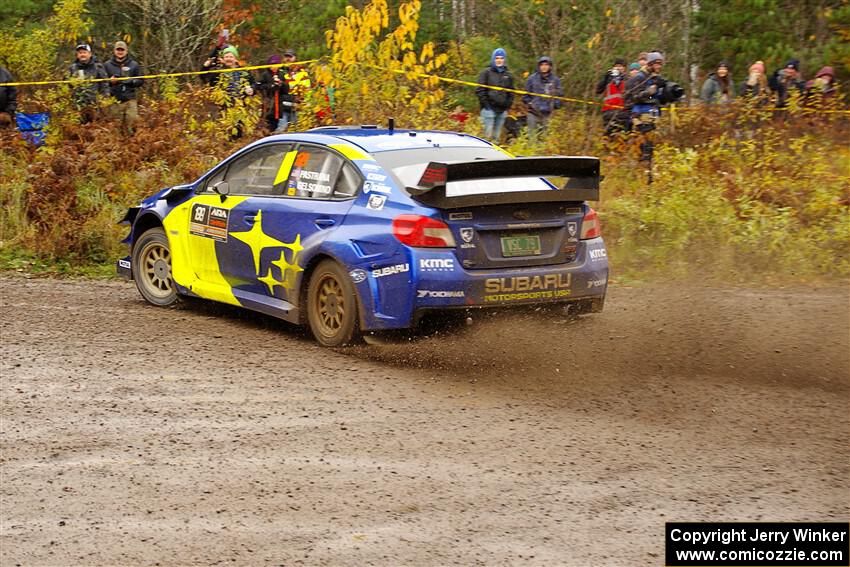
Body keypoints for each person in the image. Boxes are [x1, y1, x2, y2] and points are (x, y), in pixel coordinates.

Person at [624, 51, 684, 170]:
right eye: (656, 64)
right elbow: (632, 98)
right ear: (650, 64)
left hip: (653, 115)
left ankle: (647, 171)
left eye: (660, 64)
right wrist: (648, 93)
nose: (659, 67)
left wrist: (669, 95)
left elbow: (658, 98)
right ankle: (640, 170)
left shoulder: (657, 78)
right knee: (643, 145)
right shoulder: (639, 78)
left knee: (651, 146)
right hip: (640, 115)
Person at [103, 41, 143, 134]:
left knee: (132, 126)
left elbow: (141, 81)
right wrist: (110, 81)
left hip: (130, 99)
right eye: (118, 50)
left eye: (122, 50)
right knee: (115, 127)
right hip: (114, 100)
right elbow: (102, 83)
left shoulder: (134, 65)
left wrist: (131, 81)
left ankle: (132, 145)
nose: (120, 52)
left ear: (126, 51)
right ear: (114, 51)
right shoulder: (107, 65)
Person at [475, 48, 514, 141]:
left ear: (504, 59)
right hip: (489, 110)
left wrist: (507, 105)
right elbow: (480, 89)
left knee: (496, 138)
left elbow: (511, 92)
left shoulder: (508, 75)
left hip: (502, 110)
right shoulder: (486, 72)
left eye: (501, 58)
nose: (499, 60)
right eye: (497, 58)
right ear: (493, 59)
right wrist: (486, 105)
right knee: (487, 138)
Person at [522, 56, 563, 140]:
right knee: (532, 139)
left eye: (546, 64)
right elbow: (525, 95)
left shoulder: (555, 80)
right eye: (542, 65)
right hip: (533, 113)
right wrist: (530, 103)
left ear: (550, 66)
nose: (544, 67)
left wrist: (555, 104)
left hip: (547, 114)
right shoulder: (532, 79)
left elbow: (560, 95)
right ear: (539, 66)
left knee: (544, 139)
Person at [68, 43, 108, 123]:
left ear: (89, 54)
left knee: (96, 126)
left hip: (95, 104)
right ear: (77, 55)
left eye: (84, 52)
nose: (82, 54)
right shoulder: (72, 68)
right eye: (80, 53)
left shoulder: (98, 67)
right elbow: (67, 85)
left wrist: (104, 98)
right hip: (78, 104)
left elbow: (105, 84)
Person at [257, 54, 292, 132]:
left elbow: (287, 89)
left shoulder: (282, 74)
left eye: (276, 65)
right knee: (267, 124)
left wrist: (281, 84)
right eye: (272, 65)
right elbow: (260, 86)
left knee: (277, 125)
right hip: (268, 104)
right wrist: (271, 86)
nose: (274, 67)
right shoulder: (265, 74)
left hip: (279, 104)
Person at [595, 58, 629, 135]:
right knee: (608, 137)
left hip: (622, 113)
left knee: (622, 138)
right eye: (616, 66)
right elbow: (598, 90)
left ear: (624, 68)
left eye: (621, 66)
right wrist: (605, 77)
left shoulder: (628, 79)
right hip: (608, 112)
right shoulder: (608, 79)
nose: (618, 68)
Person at [282, 49, 311, 131]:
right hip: (282, 106)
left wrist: (304, 103)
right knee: (281, 130)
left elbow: (307, 89)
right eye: (286, 57)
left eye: (290, 57)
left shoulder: (302, 73)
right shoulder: (280, 71)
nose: (288, 59)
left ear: (295, 58)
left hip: (296, 106)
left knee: (296, 130)